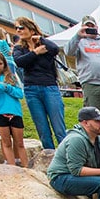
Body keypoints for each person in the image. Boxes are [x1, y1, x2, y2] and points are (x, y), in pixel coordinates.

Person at [13, 16, 67, 149]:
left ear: (31, 29)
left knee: (59, 127)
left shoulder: (45, 45)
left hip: (49, 86)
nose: (18, 31)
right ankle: (50, 156)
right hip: (31, 88)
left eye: (21, 27)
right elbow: (19, 62)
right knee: (42, 128)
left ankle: (66, 156)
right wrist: (36, 52)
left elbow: (55, 49)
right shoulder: (19, 48)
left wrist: (40, 40)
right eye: (16, 28)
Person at [66, 15, 100, 117]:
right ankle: (96, 133)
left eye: (92, 25)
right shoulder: (79, 43)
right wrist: (78, 36)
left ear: (96, 27)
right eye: (87, 26)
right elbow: (68, 52)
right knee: (93, 117)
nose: (90, 28)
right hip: (90, 83)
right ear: (82, 27)